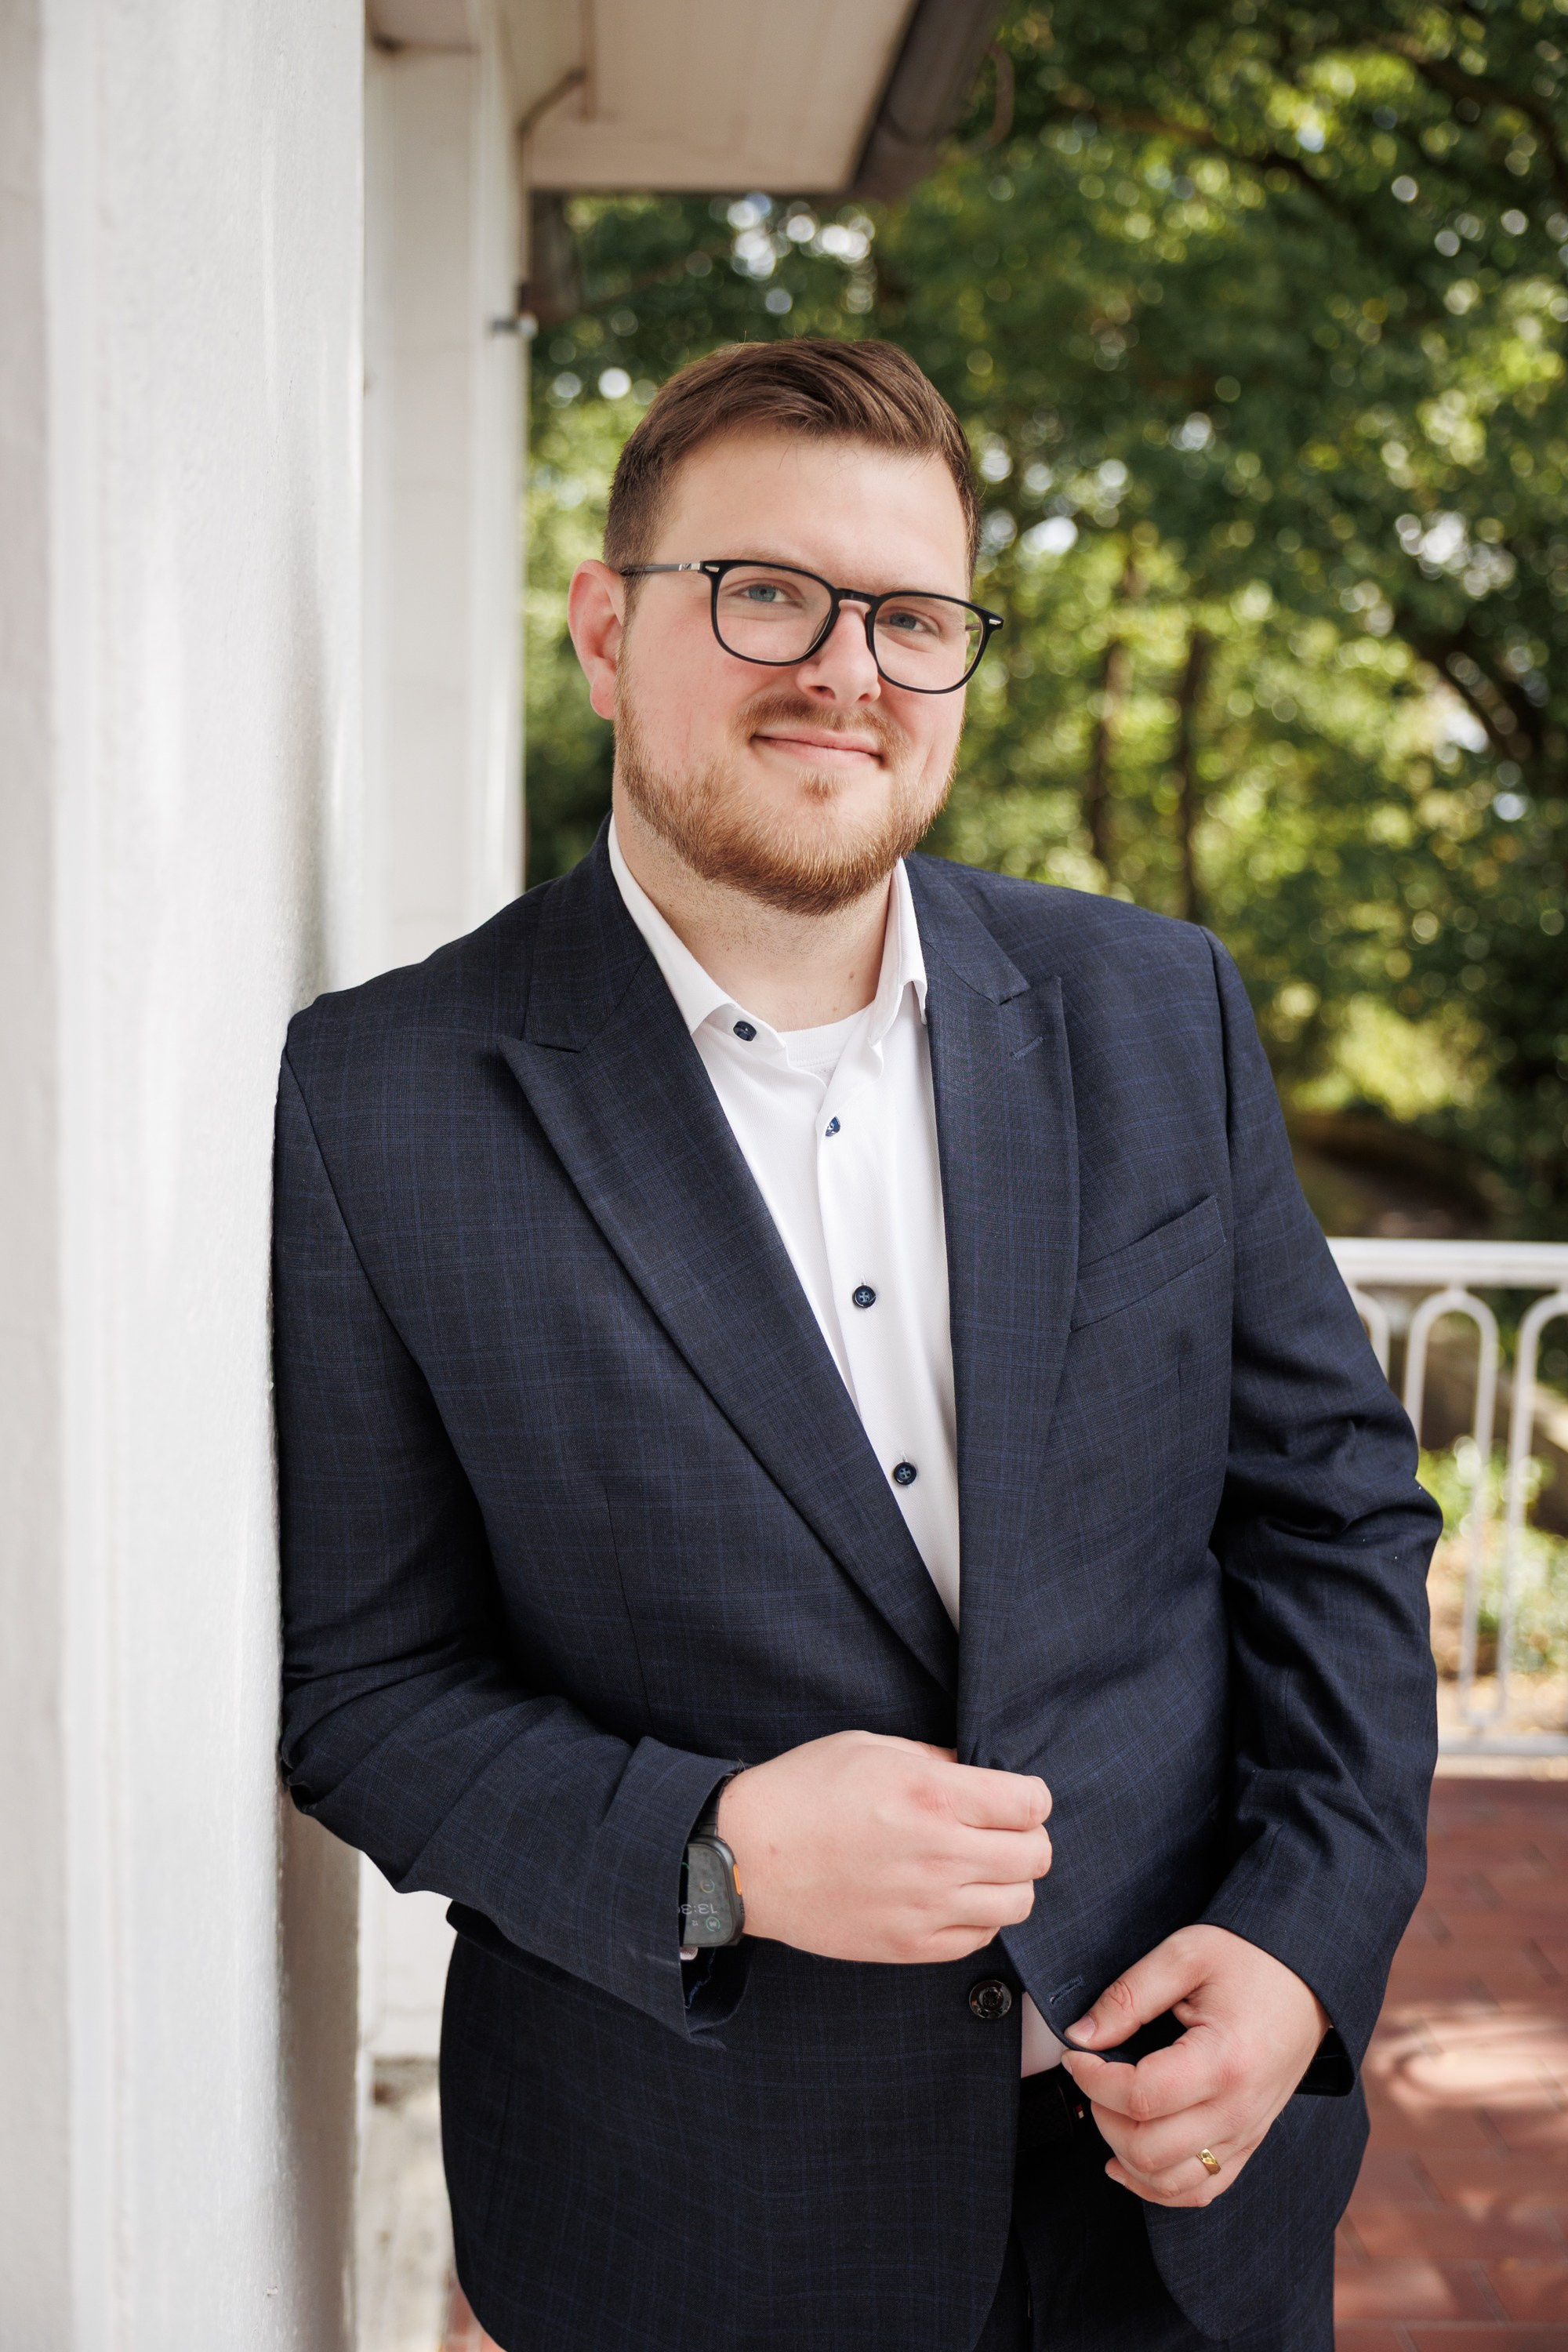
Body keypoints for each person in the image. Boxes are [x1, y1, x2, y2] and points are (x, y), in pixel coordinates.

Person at [274, 337, 1439, 2351]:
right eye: (766, 595)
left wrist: (1303, 1950)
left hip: (1180, 2200)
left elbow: (1332, 1520)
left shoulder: (1155, 1011)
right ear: (605, 631)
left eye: (912, 616)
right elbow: (366, 1690)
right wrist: (710, 1854)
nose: (847, 669)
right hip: (699, 2227)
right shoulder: (380, 1096)